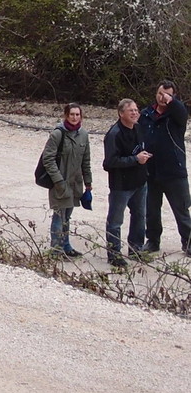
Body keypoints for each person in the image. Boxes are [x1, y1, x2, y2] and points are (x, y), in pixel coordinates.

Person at [140, 78, 191, 255]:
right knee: (152, 210)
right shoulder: (146, 114)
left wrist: (172, 102)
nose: (163, 98)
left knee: (181, 209)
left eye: (168, 95)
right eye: (161, 94)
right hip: (151, 171)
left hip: (174, 171)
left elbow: (183, 113)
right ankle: (152, 241)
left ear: (173, 97)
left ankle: (188, 242)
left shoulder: (176, 114)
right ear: (156, 93)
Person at [103, 98, 152, 268]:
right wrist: (135, 159)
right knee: (115, 221)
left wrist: (143, 157)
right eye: (130, 110)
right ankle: (114, 254)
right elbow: (109, 162)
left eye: (136, 110)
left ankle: (136, 248)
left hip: (140, 182)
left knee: (139, 216)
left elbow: (139, 149)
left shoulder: (138, 128)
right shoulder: (114, 134)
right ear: (121, 113)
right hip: (121, 185)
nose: (135, 113)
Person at [38, 104, 91, 258]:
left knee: (67, 216)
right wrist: (58, 181)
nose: (75, 117)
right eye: (72, 114)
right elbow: (48, 159)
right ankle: (56, 249)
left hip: (75, 183)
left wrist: (88, 183)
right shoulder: (57, 134)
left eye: (77, 114)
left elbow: (85, 160)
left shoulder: (84, 135)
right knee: (59, 216)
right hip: (59, 183)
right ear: (66, 116)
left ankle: (66, 246)